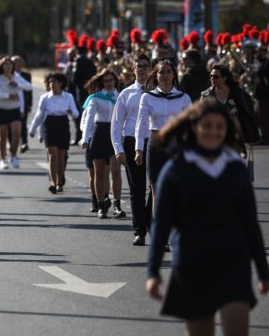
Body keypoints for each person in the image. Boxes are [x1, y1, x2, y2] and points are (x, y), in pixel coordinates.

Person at [146, 98, 268, 336]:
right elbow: (161, 224)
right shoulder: (176, 168)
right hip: (192, 262)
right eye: (207, 126)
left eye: (219, 127)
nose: (213, 132)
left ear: (227, 130)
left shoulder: (235, 168)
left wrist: (263, 271)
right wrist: (152, 272)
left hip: (233, 262)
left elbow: (250, 222)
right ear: (194, 127)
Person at [135, 60, 193, 201]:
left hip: (176, 145)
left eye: (168, 72)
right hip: (155, 144)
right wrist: (138, 149)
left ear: (174, 75)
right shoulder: (147, 97)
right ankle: (159, 222)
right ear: (156, 75)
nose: (165, 75)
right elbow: (141, 123)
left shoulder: (184, 98)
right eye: (161, 72)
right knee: (157, 191)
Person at [111, 54, 153, 245]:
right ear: (133, 69)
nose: (142, 69)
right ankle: (139, 231)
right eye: (139, 66)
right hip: (130, 143)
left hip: (153, 143)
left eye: (145, 66)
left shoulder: (158, 93)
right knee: (137, 189)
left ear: (150, 68)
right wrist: (118, 149)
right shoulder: (126, 94)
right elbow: (116, 123)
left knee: (155, 188)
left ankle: (152, 225)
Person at [80, 69, 120, 218]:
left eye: (111, 80)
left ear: (115, 81)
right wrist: (85, 139)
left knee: (116, 172)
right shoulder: (95, 98)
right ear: (102, 83)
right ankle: (101, 205)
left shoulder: (121, 96)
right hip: (99, 133)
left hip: (114, 133)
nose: (109, 83)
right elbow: (89, 118)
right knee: (99, 172)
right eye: (106, 81)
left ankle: (117, 205)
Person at [29, 73, 78, 192]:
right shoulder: (45, 98)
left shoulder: (68, 97)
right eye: (50, 82)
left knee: (61, 157)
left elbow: (76, 113)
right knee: (52, 155)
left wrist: (71, 111)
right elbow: (39, 114)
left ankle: (60, 182)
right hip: (49, 125)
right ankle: (53, 182)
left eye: (54, 82)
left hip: (62, 124)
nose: (52, 84)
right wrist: (33, 129)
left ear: (60, 83)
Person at [201, 64, 259, 152]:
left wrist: (249, 135)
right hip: (214, 134)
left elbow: (246, 112)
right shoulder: (206, 94)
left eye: (216, 77)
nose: (212, 79)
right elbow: (201, 115)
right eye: (211, 76)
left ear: (225, 78)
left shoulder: (237, 93)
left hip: (233, 135)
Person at [0, 56, 31, 169]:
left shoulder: (16, 77)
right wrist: (7, 96)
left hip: (14, 109)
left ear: (12, 66)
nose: (8, 66)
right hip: (1, 109)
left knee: (17, 133)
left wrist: (18, 85)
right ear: (2, 66)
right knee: (3, 134)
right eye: (5, 64)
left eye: (10, 64)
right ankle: (2, 159)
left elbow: (28, 87)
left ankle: (14, 156)